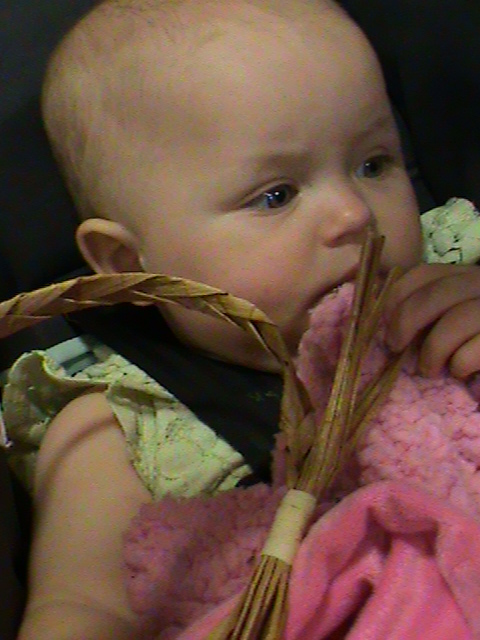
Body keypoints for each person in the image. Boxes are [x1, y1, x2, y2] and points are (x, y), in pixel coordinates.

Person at [5, 0, 480, 638]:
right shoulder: (116, 428)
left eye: (373, 164)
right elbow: (81, 612)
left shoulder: (451, 272)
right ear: (128, 263)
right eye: (275, 195)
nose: (355, 214)